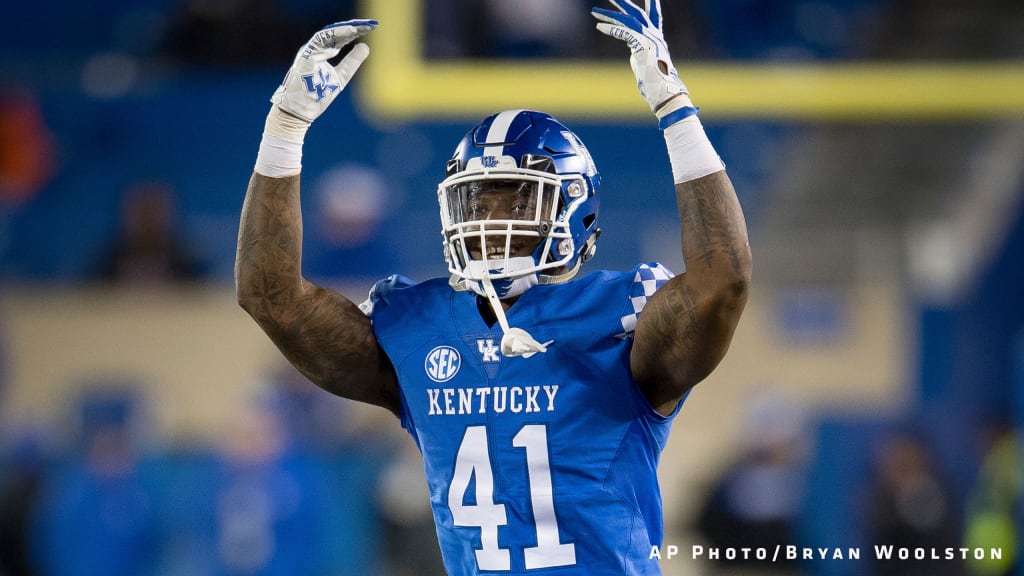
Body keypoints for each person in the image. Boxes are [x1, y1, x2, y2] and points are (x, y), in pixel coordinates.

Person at [235, 1, 751, 573]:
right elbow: (271, 298)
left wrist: (675, 109)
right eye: (476, 199)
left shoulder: (622, 313)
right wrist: (284, 128)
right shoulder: (415, 321)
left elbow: (721, 283)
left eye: (514, 198)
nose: (488, 220)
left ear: (574, 211)